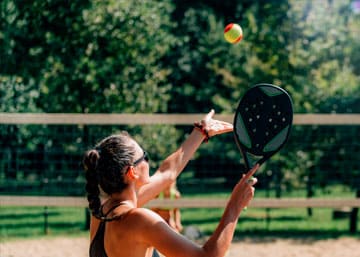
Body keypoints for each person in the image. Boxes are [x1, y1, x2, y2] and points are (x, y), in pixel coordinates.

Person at [83, 109, 259, 257]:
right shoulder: (140, 220)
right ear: (132, 172)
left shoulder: (101, 212)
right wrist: (235, 205)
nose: (148, 161)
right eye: (144, 156)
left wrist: (201, 132)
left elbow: (167, 173)